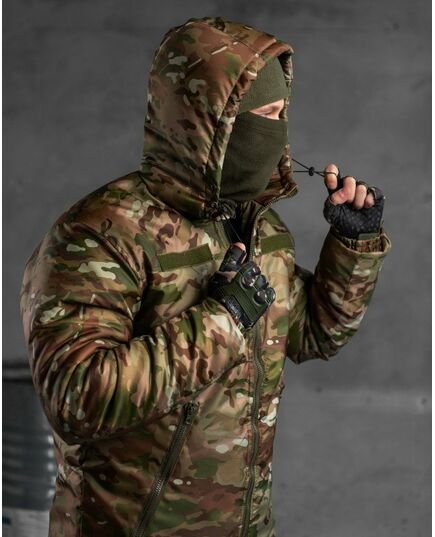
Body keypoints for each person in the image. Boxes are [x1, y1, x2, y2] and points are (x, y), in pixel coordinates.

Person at [20, 16, 392, 537]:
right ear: (211, 122)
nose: (279, 132)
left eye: (282, 114)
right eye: (266, 115)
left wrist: (353, 244)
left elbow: (313, 335)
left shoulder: (261, 229)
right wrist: (223, 320)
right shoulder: (101, 233)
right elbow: (76, 399)